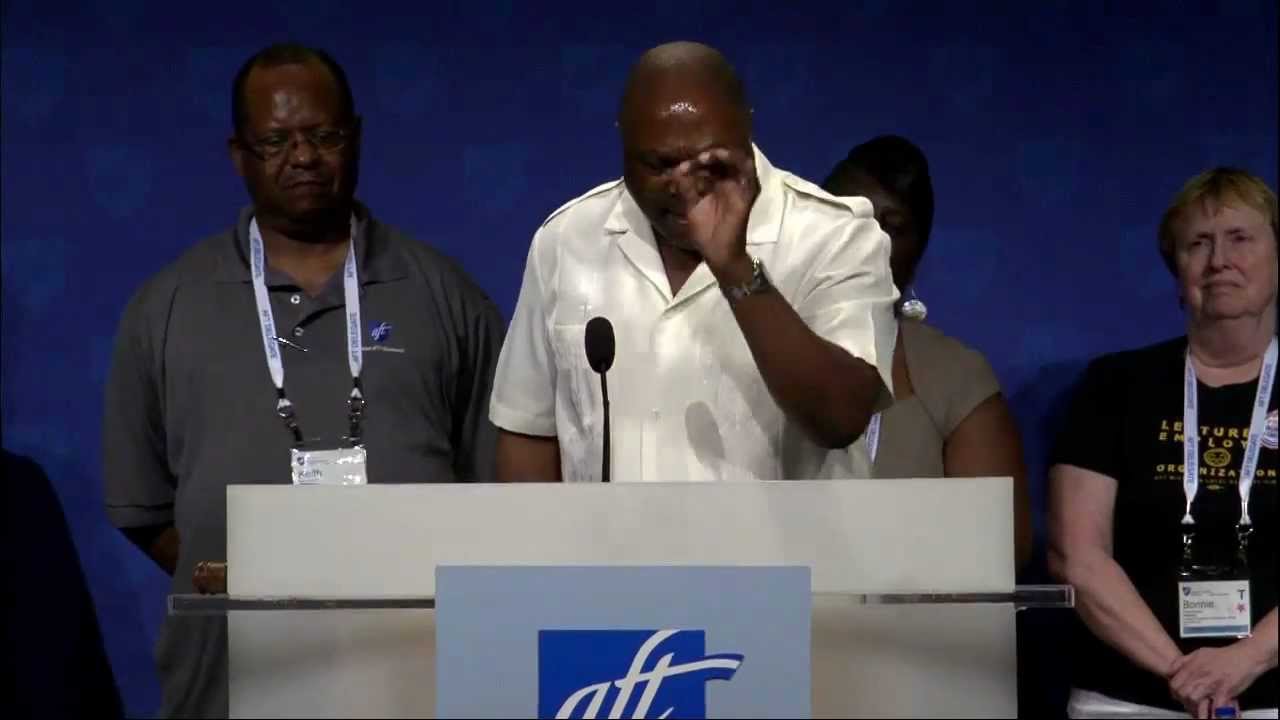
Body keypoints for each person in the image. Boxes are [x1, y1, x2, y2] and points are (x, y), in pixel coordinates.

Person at [102, 43, 504, 718]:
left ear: (357, 139)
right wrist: (260, 578)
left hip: (415, 672)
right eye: (277, 140)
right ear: (240, 155)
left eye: (324, 136)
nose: (305, 157)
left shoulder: (444, 295)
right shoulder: (166, 305)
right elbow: (143, 509)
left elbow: (498, 487)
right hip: (232, 676)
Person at [490, 41, 897, 484]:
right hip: (605, 554)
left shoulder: (835, 236)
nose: (685, 187)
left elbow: (841, 418)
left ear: (746, 130)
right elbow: (529, 433)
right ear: (623, 142)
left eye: (708, 162)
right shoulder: (567, 241)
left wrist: (736, 269)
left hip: (785, 554)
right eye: (660, 164)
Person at [1049, 168, 1278, 718]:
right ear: (1178, 274)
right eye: (1198, 243)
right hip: (1127, 699)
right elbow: (1076, 555)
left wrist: (1246, 658)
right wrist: (1183, 673)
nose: (1219, 259)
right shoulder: (1115, 384)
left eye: (1240, 238)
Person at [821, 135, 1032, 569]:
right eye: (849, 216)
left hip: (903, 629)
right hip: (764, 626)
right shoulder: (755, 347)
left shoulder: (954, 376)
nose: (866, 239)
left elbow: (998, 557)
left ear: (915, 255)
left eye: (891, 226)